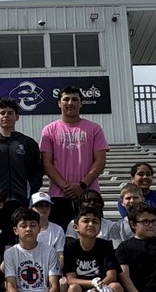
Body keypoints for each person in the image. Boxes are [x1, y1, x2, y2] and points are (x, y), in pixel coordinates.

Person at [39, 86, 108, 228]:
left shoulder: (94, 129)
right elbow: (46, 163)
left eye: (75, 99)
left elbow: (100, 161)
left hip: (89, 195)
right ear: (59, 103)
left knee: (91, 238)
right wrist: (65, 186)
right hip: (59, 195)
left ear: (81, 103)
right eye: (66, 99)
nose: (70, 103)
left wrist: (82, 185)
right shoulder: (49, 130)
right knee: (62, 240)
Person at [0, 97, 43, 225]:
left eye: (10, 113)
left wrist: (31, 189)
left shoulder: (28, 143)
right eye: (2, 113)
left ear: (17, 117)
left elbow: (38, 170)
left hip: (22, 200)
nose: (6, 116)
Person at [120, 163, 156, 232]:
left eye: (148, 174)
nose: (145, 177)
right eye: (141, 174)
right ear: (132, 178)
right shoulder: (126, 199)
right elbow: (130, 223)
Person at [29, 192, 65, 264]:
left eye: (47, 206)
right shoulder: (25, 229)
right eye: (40, 205)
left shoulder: (58, 230)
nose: (44, 208)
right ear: (31, 208)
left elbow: (60, 255)